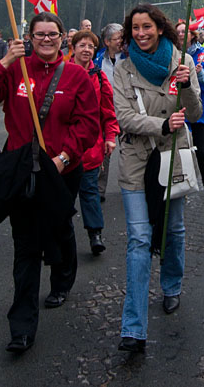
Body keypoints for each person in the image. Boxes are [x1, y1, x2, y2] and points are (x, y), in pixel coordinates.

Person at [0, 12, 98, 353]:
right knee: (26, 247)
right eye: (39, 34)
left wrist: (64, 158)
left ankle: (62, 279)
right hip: (22, 172)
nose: (46, 39)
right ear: (29, 37)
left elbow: (88, 125)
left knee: (59, 229)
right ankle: (22, 326)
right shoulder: (15, 69)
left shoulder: (76, 76)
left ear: (62, 39)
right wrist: (4, 60)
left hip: (62, 172)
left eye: (52, 34)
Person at [111, 4, 202, 353]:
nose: (141, 34)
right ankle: (133, 328)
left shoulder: (183, 62)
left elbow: (195, 113)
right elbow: (124, 117)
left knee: (174, 228)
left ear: (160, 29)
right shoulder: (123, 68)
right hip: (136, 160)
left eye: (146, 27)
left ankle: (172, 285)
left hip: (172, 157)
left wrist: (186, 86)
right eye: (135, 28)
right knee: (138, 238)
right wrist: (161, 124)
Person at [68, 30, 118, 255]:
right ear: (74, 47)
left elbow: (107, 111)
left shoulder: (99, 76)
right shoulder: (60, 72)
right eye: (82, 45)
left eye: (90, 46)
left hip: (90, 147)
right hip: (62, 147)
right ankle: (57, 236)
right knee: (61, 196)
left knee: (89, 191)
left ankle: (94, 233)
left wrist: (110, 137)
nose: (86, 49)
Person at [176, 23, 204, 189]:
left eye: (184, 31)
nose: (181, 34)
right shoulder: (170, 55)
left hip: (198, 108)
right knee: (179, 148)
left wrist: (202, 74)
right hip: (177, 108)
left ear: (192, 35)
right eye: (178, 32)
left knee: (200, 148)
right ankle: (182, 177)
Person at [94, 22, 125, 200]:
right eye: (117, 38)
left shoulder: (129, 58)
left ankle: (131, 188)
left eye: (122, 37)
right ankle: (99, 190)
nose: (121, 41)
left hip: (127, 111)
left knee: (128, 151)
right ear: (107, 41)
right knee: (104, 151)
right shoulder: (98, 60)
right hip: (105, 113)